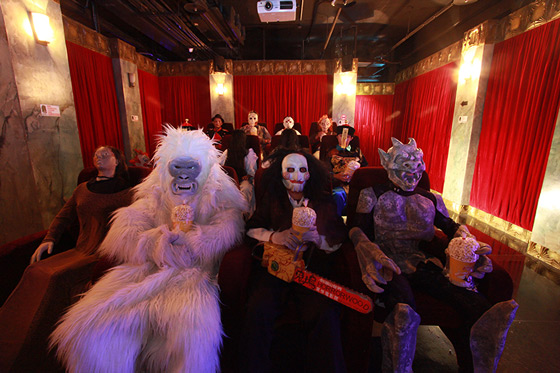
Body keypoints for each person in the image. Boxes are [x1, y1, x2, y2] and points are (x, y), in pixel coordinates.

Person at [50, 127, 247, 372]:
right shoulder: (156, 192)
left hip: (194, 271)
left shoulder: (219, 195)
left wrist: (192, 241)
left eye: (191, 169)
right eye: (178, 169)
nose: (183, 178)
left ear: (204, 169)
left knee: (189, 331)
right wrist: (155, 240)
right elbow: (127, 228)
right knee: (93, 326)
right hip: (150, 267)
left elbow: (226, 231)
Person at [347, 137, 517, 372]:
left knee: (476, 304)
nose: (412, 173)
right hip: (386, 264)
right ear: (388, 164)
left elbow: (450, 225)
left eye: (417, 167)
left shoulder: (429, 199)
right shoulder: (371, 194)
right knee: (404, 306)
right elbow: (356, 230)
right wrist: (370, 251)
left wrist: (467, 241)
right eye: (405, 167)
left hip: (419, 262)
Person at [240, 149, 348, 373]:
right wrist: (274, 236)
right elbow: (250, 229)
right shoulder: (272, 198)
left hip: (311, 272)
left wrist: (319, 239)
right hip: (275, 269)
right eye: (290, 170)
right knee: (258, 308)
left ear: (309, 175)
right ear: (281, 175)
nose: (296, 176)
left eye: (302, 171)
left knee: (325, 313)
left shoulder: (323, 200)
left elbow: (339, 236)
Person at [30, 146, 132, 263]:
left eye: (105, 155)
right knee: (35, 269)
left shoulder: (124, 191)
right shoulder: (82, 189)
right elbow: (63, 216)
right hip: (81, 248)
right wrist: (49, 239)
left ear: (117, 161)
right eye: (97, 156)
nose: (99, 158)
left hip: (104, 254)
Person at [326, 117, 368, 216]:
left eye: (348, 136)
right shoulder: (330, 152)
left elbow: (366, 169)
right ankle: (337, 223)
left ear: (351, 138)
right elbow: (323, 172)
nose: (344, 138)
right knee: (338, 195)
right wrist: (336, 176)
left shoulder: (357, 152)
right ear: (337, 137)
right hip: (339, 185)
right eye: (341, 136)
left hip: (355, 184)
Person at [221, 129, 259, 219]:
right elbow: (220, 166)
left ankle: (243, 215)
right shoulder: (227, 152)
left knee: (245, 189)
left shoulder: (249, 152)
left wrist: (248, 176)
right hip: (229, 180)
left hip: (243, 180)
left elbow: (252, 171)